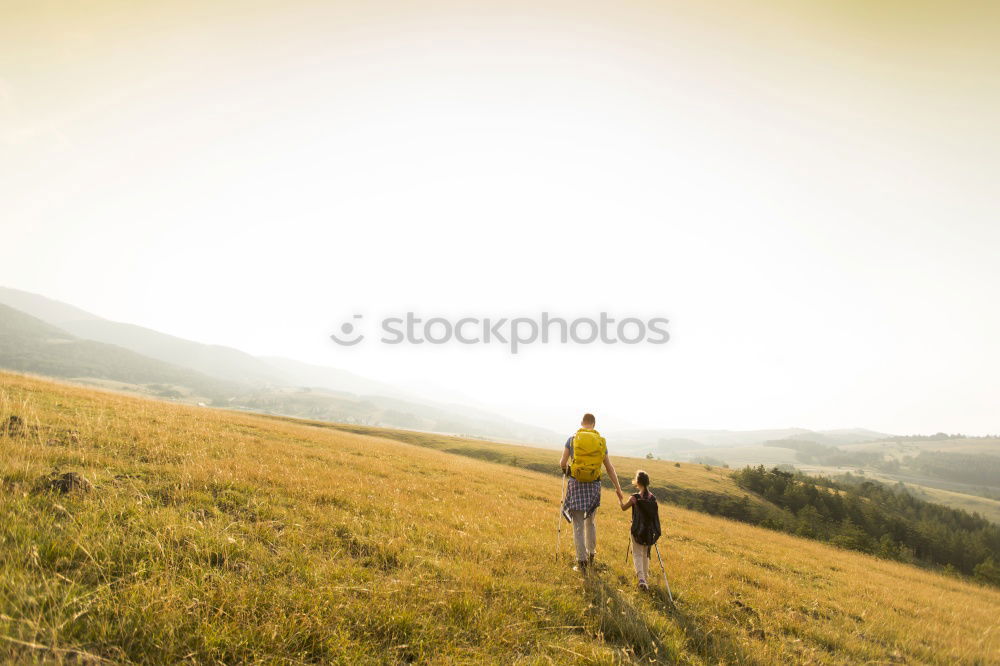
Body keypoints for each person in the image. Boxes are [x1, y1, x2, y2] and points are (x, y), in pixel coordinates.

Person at [559, 413, 624, 573]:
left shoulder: (572, 439)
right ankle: (591, 554)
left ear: (582, 422)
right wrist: (618, 488)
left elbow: (562, 462)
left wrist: (567, 471)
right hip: (594, 486)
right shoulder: (600, 442)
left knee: (578, 525)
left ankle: (581, 562)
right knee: (591, 522)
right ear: (594, 424)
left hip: (576, 484)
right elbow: (609, 467)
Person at [619, 469, 661, 591]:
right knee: (645, 554)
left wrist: (619, 498)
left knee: (637, 554)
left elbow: (623, 508)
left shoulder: (634, 498)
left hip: (637, 530)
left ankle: (641, 579)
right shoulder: (653, 498)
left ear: (637, 482)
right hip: (649, 532)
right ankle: (645, 579)